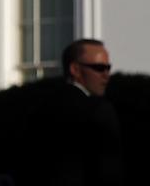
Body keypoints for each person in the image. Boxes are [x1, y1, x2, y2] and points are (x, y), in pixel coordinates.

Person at [36, 39, 123, 186]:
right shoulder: (97, 110)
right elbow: (109, 172)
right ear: (75, 69)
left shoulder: (40, 108)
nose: (106, 74)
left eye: (108, 68)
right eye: (99, 68)